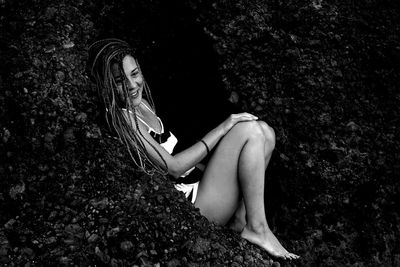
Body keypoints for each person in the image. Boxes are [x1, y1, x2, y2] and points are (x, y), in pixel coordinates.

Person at [87, 38, 299, 260]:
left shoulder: (141, 104)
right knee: (250, 131)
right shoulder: (122, 118)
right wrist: (224, 128)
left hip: (201, 186)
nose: (132, 85)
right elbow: (174, 167)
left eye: (135, 73)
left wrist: (220, 166)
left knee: (266, 133)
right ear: (105, 84)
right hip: (194, 206)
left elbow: (180, 156)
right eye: (120, 80)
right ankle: (258, 227)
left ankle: (241, 220)